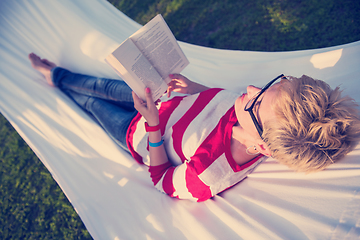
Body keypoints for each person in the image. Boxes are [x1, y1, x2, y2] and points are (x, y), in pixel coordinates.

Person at [28, 53, 360, 202]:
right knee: (100, 84)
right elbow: (226, 99)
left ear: (265, 147)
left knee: (92, 104)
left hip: (138, 131)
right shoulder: (254, 116)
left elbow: (161, 180)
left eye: (257, 101)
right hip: (161, 99)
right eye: (270, 84)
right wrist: (195, 88)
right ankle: (59, 74)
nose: (250, 90)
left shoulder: (208, 173)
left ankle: (57, 82)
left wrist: (153, 125)